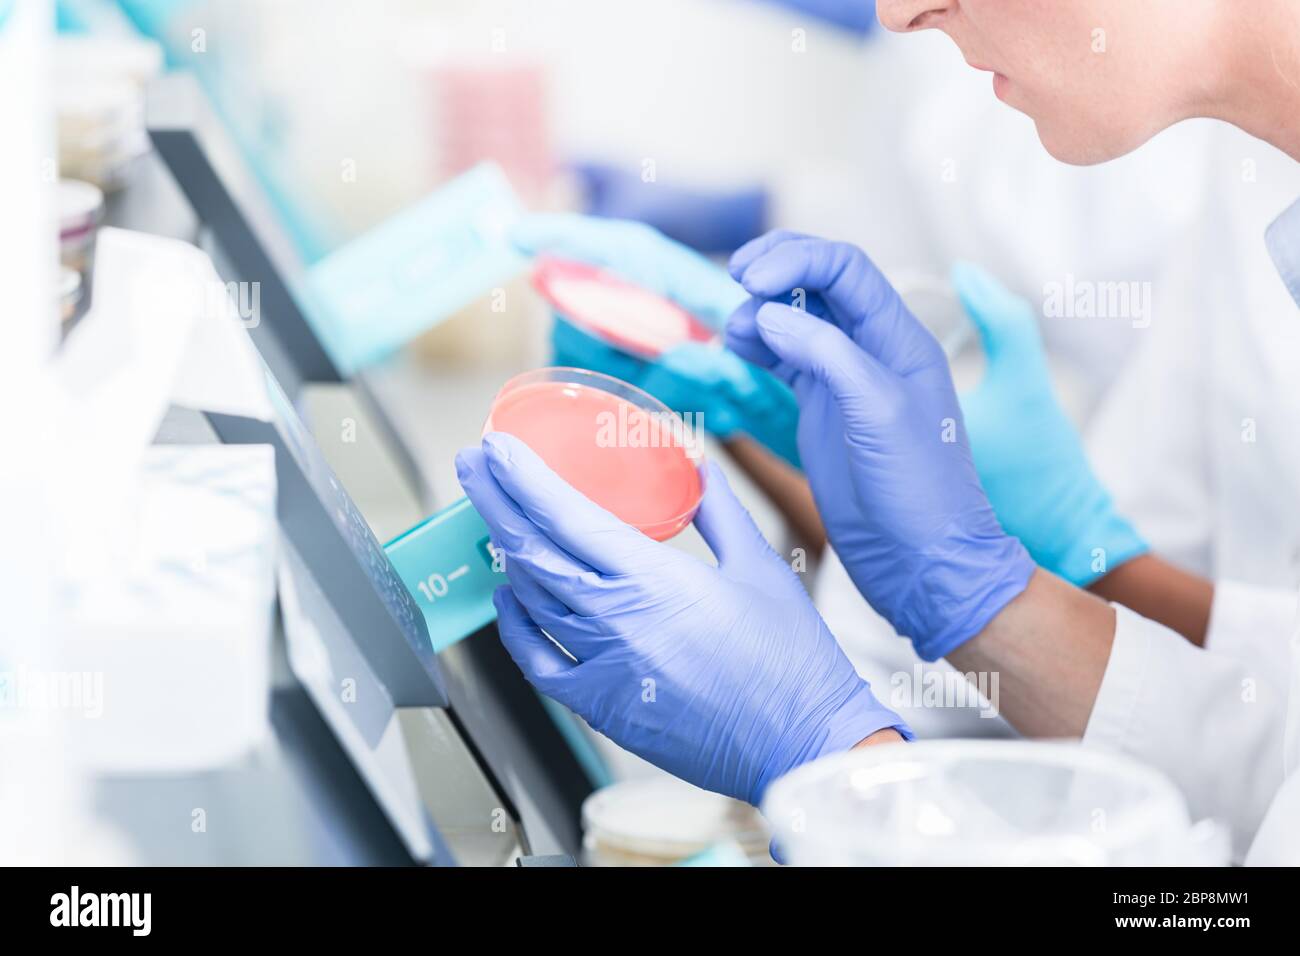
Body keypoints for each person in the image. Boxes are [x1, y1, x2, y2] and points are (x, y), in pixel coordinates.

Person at [459, 0, 1300, 863]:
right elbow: (1267, 761)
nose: (896, 15)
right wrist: (980, 595)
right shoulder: (1254, 181)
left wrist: (831, 763)